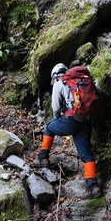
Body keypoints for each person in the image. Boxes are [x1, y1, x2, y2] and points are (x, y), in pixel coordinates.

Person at [37, 63, 101, 199]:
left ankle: (43, 158)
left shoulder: (59, 84)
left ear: (55, 76)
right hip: (86, 122)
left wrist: (58, 120)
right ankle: (93, 186)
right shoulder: (83, 82)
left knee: (49, 127)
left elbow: (55, 108)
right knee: (87, 155)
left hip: (70, 121)